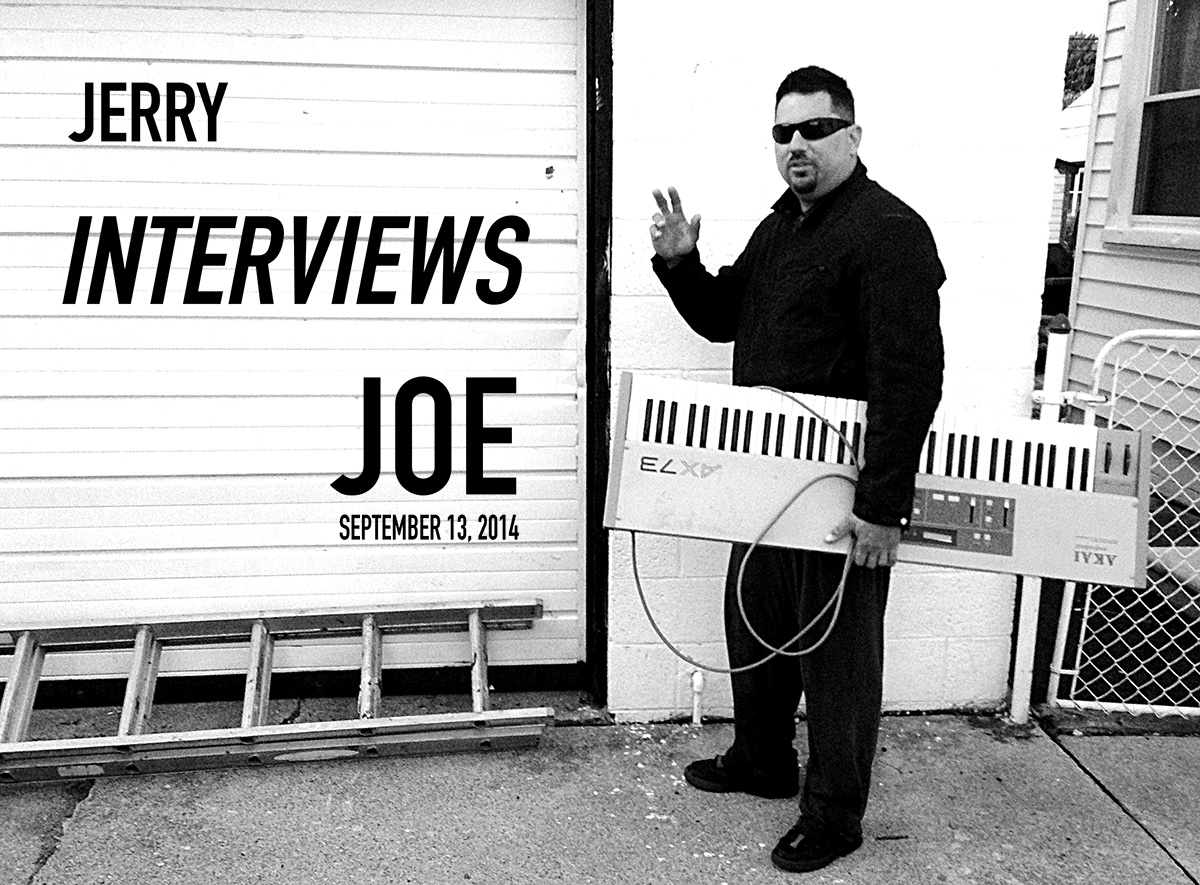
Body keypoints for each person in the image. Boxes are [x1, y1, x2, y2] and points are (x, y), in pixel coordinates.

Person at [648, 65, 945, 874]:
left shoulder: (889, 231)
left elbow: (910, 379)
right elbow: (722, 317)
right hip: (764, 484)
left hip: (840, 496)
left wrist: (883, 506)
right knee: (757, 625)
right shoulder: (781, 227)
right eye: (783, 132)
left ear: (852, 134)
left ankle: (835, 813)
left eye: (815, 128)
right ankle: (762, 759)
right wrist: (681, 264)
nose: (796, 145)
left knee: (838, 660)